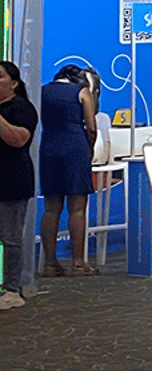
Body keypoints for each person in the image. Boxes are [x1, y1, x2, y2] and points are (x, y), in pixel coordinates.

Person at [38, 65, 98, 277]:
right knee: (77, 208)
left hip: (49, 148)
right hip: (75, 149)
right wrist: (90, 149)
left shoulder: (42, 90)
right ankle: (78, 264)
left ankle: (49, 264)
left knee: (51, 209)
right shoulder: (82, 92)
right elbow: (91, 128)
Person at [0, 62, 36, 309]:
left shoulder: (22, 108)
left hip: (11, 181)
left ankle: (12, 289)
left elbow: (18, 139)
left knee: (11, 238)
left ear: (13, 83)